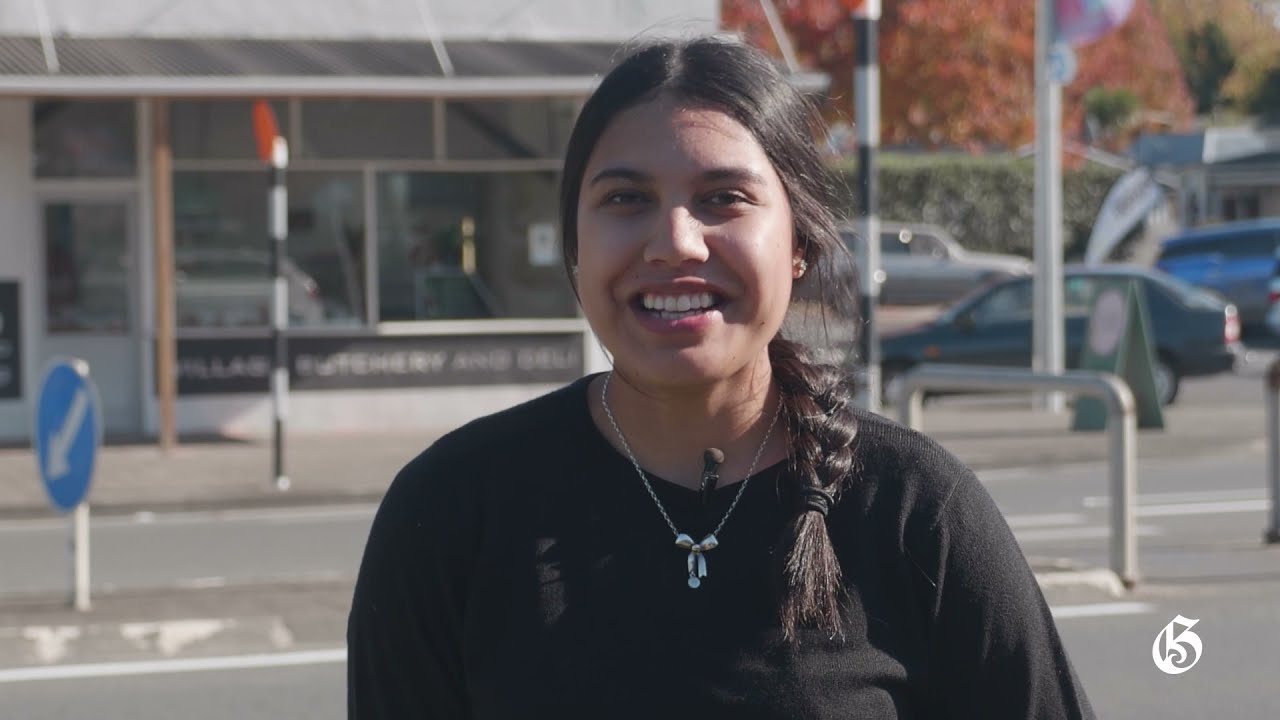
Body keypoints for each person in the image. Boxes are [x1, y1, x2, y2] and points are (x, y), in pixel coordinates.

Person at [348, 35, 1094, 718]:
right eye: (625, 199)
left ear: (798, 242)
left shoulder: (914, 510)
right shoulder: (450, 512)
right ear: (575, 242)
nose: (675, 241)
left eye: (722, 199)